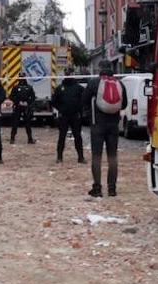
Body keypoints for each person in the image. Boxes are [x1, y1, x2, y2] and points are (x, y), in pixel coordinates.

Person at [83, 62, 128, 198]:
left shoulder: (93, 83)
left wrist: (89, 116)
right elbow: (124, 104)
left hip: (97, 124)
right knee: (112, 157)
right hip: (113, 125)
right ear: (112, 70)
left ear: (100, 69)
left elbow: (84, 100)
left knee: (97, 156)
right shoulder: (120, 84)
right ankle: (112, 188)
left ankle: (97, 188)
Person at [52, 69, 86, 164]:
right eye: (67, 74)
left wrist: (79, 108)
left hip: (75, 116)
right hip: (64, 116)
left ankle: (81, 157)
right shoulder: (60, 88)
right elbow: (54, 101)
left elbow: (84, 99)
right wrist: (61, 109)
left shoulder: (78, 88)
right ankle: (59, 157)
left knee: (78, 137)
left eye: (70, 74)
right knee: (62, 137)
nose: (69, 76)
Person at [9, 79, 37, 144]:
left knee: (28, 123)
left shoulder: (29, 87)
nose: (22, 80)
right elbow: (11, 96)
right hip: (17, 107)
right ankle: (12, 139)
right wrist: (18, 102)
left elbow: (33, 97)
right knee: (15, 123)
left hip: (26, 108)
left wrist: (28, 103)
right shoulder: (15, 87)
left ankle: (30, 139)